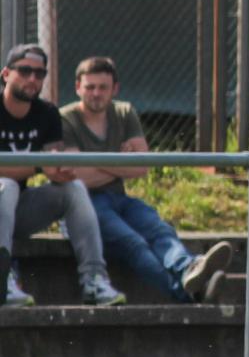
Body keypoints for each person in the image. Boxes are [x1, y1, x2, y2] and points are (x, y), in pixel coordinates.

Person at [60, 57, 232, 303]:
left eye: (103, 87)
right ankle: (188, 297)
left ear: (114, 89)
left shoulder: (123, 112)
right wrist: (119, 160)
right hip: (84, 207)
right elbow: (76, 176)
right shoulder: (65, 119)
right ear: (78, 87)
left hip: (119, 199)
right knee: (134, 244)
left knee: (159, 229)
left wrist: (93, 161)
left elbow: (142, 166)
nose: (96, 93)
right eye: (90, 87)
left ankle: (188, 268)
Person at [0, 44, 125, 307]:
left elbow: (53, 163)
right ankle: (3, 280)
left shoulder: (47, 114)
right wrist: (38, 167)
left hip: (15, 212)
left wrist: (60, 171)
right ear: (6, 74)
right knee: (7, 185)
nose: (33, 79)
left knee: (74, 189)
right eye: (24, 71)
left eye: (39, 73)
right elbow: (37, 166)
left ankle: (94, 281)